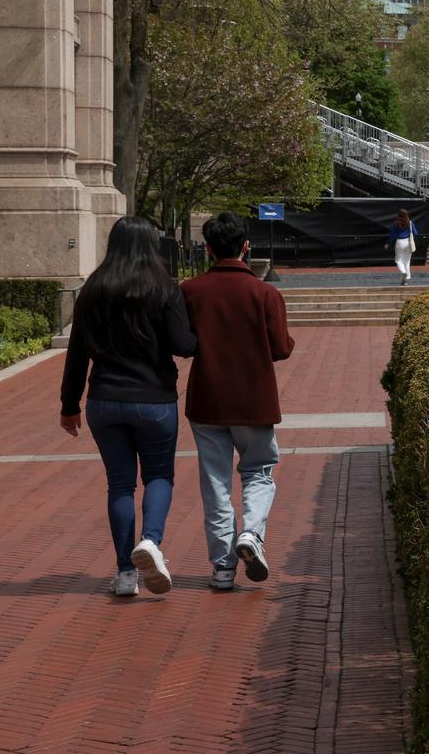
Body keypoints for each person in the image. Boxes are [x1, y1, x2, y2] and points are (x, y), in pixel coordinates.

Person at [60, 217, 198, 597]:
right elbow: (184, 345)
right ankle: (151, 541)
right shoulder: (164, 289)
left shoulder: (93, 288)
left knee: (119, 484)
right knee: (158, 477)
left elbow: (77, 353)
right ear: (151, 245)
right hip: (154, 400)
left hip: (104, 400)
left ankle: (125, 574)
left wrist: (68, 404)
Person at [181, 212, 296, 592]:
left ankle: (222, 567)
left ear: (208, 248)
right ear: (247, 246)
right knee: (259, 471)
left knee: (214, 483)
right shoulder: (265, 294)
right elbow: (280, 349)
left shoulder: (190, 290)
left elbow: (183, 344)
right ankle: (251, 534)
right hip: (254, 398)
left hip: (208, 398)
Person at [388, 208, 416, 285]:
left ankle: (403, 273)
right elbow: (416, 232)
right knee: (407, 261)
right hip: (408, 242)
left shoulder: (396, 224)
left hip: (399, 242)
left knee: (398, 261)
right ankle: (405, 280)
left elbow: (392, 235)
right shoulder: (410, 223)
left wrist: (387, 243)